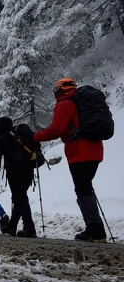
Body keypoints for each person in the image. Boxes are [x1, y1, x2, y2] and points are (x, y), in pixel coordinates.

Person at [34, 78, 107, 242]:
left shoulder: (64, 103)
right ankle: (95, 228)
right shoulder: (80, 102)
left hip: (79, 151)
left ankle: (95, 230)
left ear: (59, 90)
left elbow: (56, 129)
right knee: (86, 186)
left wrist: (36, 137)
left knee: (82, 189)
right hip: (95, 149)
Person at [0, 117, 37, 238]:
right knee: (20, 197)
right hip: (28, 169)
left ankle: (29, 228)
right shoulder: (18, 134)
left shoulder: (2, 139)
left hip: (14, 172)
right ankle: (13, 226)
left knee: (20, 198)